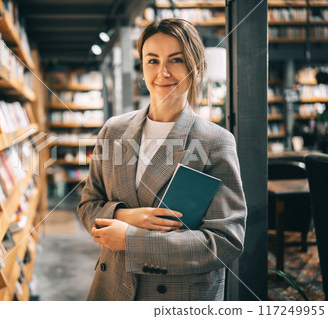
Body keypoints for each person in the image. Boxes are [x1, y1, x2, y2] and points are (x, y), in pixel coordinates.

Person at [77, 18, 247, 301]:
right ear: (142, 68)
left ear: (197, 67)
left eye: (176, 60)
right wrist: (122, 215)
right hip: (113, 288)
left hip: (178, 296)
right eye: (152, 60)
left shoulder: (215, 141)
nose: (163, 72)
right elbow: (87, 206)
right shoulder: (113, 131)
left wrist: (132, 241)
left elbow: (225, 242)